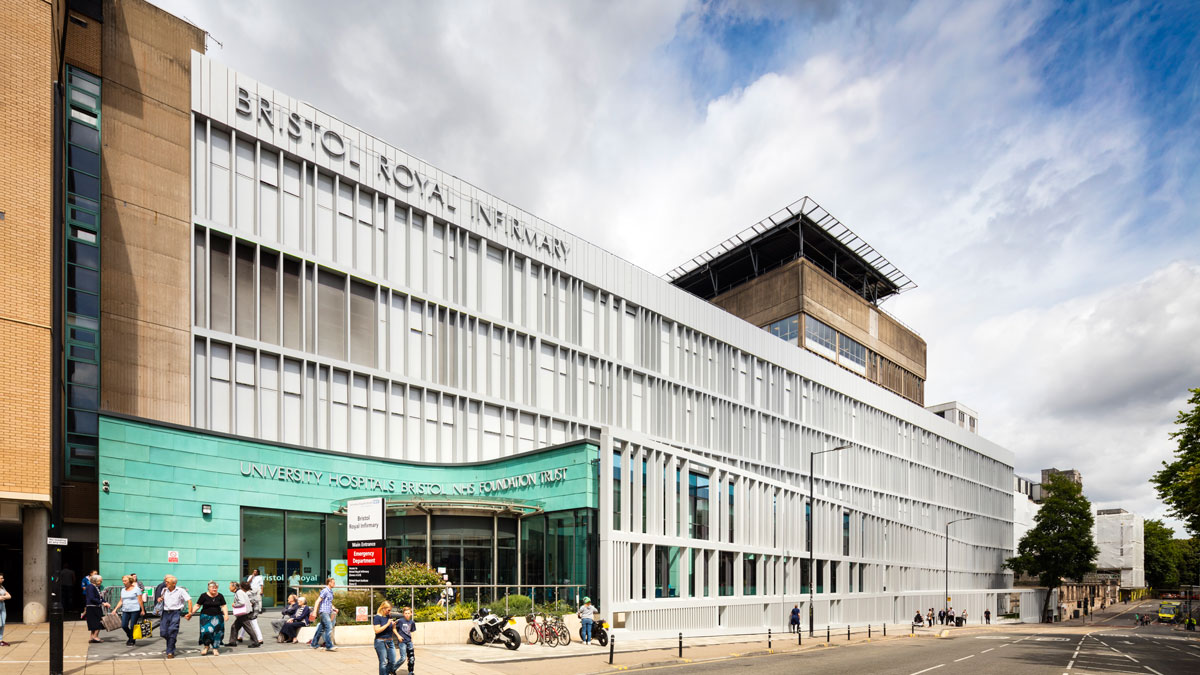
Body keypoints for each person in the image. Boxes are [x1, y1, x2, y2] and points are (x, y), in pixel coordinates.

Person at [187, 581, 228, 656]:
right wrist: (191, 613)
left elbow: (223, 606)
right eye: (213, 588)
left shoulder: (220, 596)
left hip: (217, 617)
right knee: (206, 632)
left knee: (217, 633)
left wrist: (226, 614)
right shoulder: (203, 596)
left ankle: (215, 648)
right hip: (205, 617)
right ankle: (206, 647)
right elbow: (197, 605)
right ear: (208, 588)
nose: (214, 589)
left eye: (216, 588)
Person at [158, 575, 191, 659]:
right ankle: (172, 642)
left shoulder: (180, 591)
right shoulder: (164, 590)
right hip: (165, 613)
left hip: (175, 612)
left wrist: (190, 612)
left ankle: (170, 651)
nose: (166, 583)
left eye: (168, 582)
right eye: (166, 582)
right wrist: (160, 599)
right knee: (163, 632)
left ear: (174, 583)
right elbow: (162, 598)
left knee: (172, 630)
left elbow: (189, 600)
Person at [226, 581, 262, 648]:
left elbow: (241, 602)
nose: (229, 587)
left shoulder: (239, 592)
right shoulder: (239, 592)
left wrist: (235, 605)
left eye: (230, 586)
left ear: (234, 587)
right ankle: (232, 642)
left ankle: (256, 642)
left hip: (243, 613)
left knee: (248, 628)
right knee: (234, 627)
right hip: (244, 613)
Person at [309, 577, 338, 651]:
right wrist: (315, 612)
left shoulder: (331, 592)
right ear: (329, 583)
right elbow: (317, 601)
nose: (334, 584)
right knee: (329, 627)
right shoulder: (325, 591)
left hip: (328, 612)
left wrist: (334, 608)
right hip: (324, 612)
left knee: (321, 629)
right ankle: (329, 645)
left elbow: (329, 602)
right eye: (333, 583)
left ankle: (314, 644)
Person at [372, 600, 398, 675]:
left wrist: (393, 625)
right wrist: (387, 624)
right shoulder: (377, 617)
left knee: (392, 661)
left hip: (390, 640)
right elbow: (377, 630)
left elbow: (391, 628)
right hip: (380, 641)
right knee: (383, 662)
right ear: (383, 608)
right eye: (388, 610)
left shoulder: (388, 616)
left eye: (390, 610)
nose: (389, 612)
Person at [118, 575, 145, 647]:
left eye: (125, 581)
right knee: (124, 625)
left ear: (130, 581)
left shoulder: (137, 589)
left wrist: (142, 610)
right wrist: (115, 609)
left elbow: (140, 600)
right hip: (125, 609)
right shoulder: (123, 590)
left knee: (133, 626)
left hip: (135, 609)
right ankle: (130, 636)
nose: (123, 582)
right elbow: (121, 601)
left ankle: (132, 640)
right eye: (123, 581)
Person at [83, 574, 110, 642]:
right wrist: (103, 603)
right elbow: (92, 598)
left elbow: (100, 597)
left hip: (95, 607)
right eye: (100, 580)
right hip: (92, 607)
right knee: (98, 622)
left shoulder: (95, 587)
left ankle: (92, 637)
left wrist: (105, 602)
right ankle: (95, 636)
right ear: (95, 581)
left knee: (94, 622)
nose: (101, 581)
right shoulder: (90, 587)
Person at [394, 606, 416, 674]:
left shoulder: (412, 622)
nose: (407, 614)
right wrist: (398, 636)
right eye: (406, 613)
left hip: (409, 642)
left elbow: (412, 632)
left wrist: (412, 641)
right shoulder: (400, 621)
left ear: (411, 614)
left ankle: (411, 671)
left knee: (411, 658)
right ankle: (393, 669)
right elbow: (393, 628)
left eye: (408, 613)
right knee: (403, 658)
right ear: (403, 614)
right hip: (402, 642)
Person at [0, 572, 10, 647]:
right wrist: (3, 597)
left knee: (2, 623)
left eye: (2, 578)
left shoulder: (2, 587)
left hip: (2, 605)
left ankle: (0, 640)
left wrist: (2, 597)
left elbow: (9, 596)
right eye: (1, 578)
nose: (3, 579)